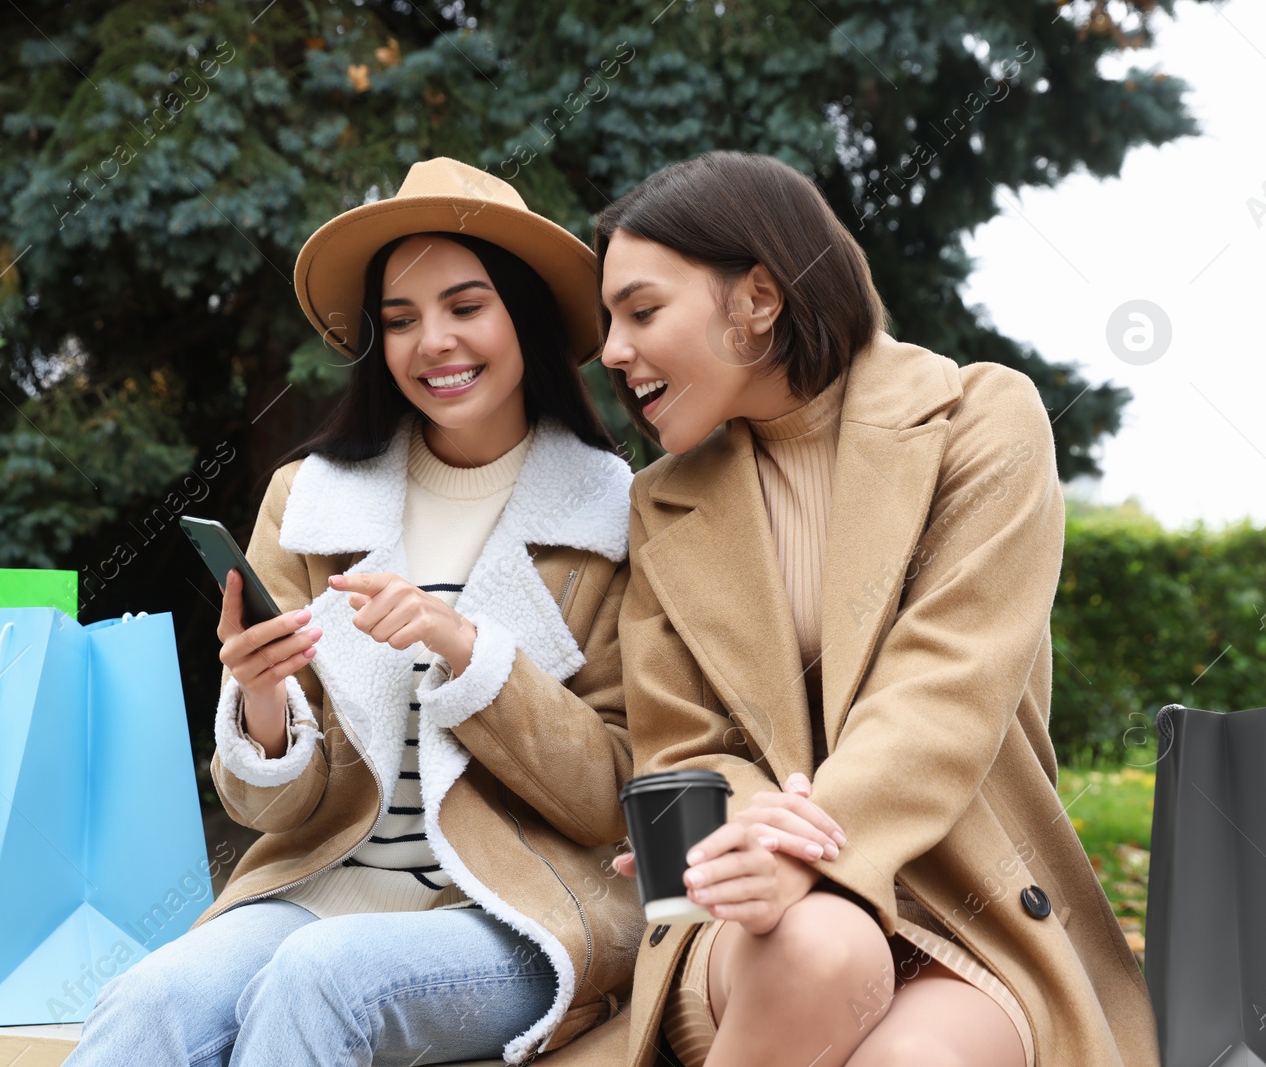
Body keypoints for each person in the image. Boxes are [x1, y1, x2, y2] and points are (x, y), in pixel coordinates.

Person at [65, 157, 642, 1067]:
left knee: (322, 976)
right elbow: (277, 808)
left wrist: (468, 649)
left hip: (520, 908)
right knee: (148, 1001)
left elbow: (613, 793)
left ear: (523, 313)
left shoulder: (615, 515)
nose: (434, 343)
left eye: (465, 306)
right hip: (324, 882)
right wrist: (259, 700)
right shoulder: (311, 500)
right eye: (401, 320)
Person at [594, 151, 1160, 1067]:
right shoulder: (662, 501)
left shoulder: (981, 421)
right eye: (608, 320)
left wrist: (803, 847)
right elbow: (683, 745)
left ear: (758, 301)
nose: (612, 350)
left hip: (962, 912)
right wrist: (752, 843)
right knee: (820, 946)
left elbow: (947, 685)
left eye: (642, 310)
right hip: (748, 920)